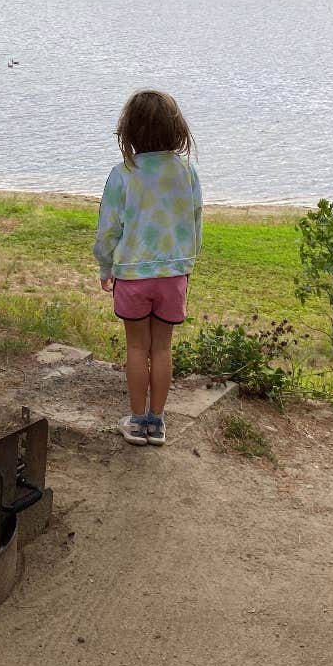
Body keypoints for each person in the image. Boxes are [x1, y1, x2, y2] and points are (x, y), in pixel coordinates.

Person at [93, 89, 203, 446]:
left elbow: (109, 227)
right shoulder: (187, 171)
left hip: (133, 275)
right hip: (173, 275)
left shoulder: (123, 173)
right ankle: (157, 422)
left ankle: (136, 420)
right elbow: (195, 220)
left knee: (137, 348)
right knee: (163, 348)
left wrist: (105, 265)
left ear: (130, 132)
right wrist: (186, 262)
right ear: (176, 129)